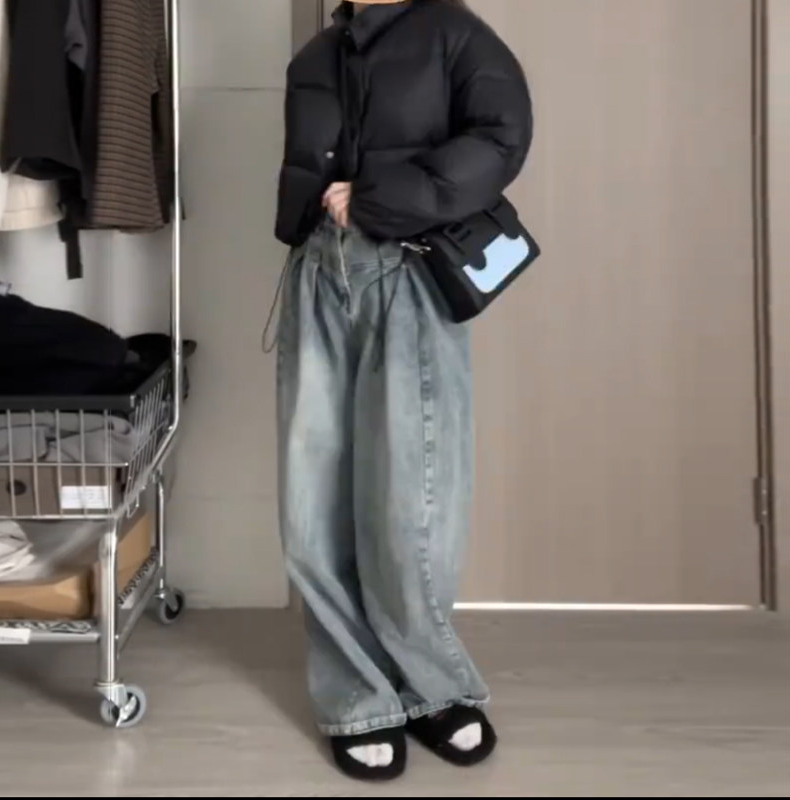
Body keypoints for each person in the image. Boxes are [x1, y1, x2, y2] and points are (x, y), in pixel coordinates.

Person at [272, 0, 533, 781]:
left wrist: (379, 197)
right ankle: (357, 697)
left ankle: (431, 689)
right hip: (317, 276)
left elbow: (501, 138)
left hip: (406, 275)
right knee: (312, 501)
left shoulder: (455, 33)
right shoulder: (315, 56)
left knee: (411, 498)